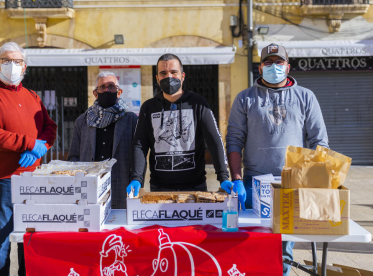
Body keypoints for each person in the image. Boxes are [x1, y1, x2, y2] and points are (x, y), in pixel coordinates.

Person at [226, 43, 329, 275]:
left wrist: (312, 179)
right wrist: (237, 179)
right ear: (260, 68)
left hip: (291, 187)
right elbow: (234, 140)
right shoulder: (245, 99)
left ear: (288, 66)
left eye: (279, 62)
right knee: (251, 246)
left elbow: (319, 141)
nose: (274, 66)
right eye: (268, 62)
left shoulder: (306, 97)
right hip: (253, 184)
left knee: (283, 253)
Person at [0, 42, 57, 276]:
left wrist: (43, 146)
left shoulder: (32, 96)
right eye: (7, 61)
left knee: (28, 235)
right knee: (1, 238)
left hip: (32, 176)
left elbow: (50, 127)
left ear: (25, 66)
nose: (13, 66)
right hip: (2, 178)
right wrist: (30, 143)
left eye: (17, 61)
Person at [128, 53, 232, 196]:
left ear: (182, 76)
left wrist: (223, 176)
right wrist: (136, 178)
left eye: (173, 72)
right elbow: (139, 144)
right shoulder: (148, 107)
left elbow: (214, 141)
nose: (169, 77)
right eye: (163, 73)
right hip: (159, 188)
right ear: (157, 78)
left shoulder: (198, 103)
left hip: (195, 187)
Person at [68, 71, 138, 209]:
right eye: (102, 87)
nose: (107, 90)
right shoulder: (82, 121)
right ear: (95, 93)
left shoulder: (131, 120)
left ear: (119, 92)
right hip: (90, 187)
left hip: (121, 186)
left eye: (111, 86)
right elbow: (74, 156)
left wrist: (136, 178)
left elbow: (138, 154)